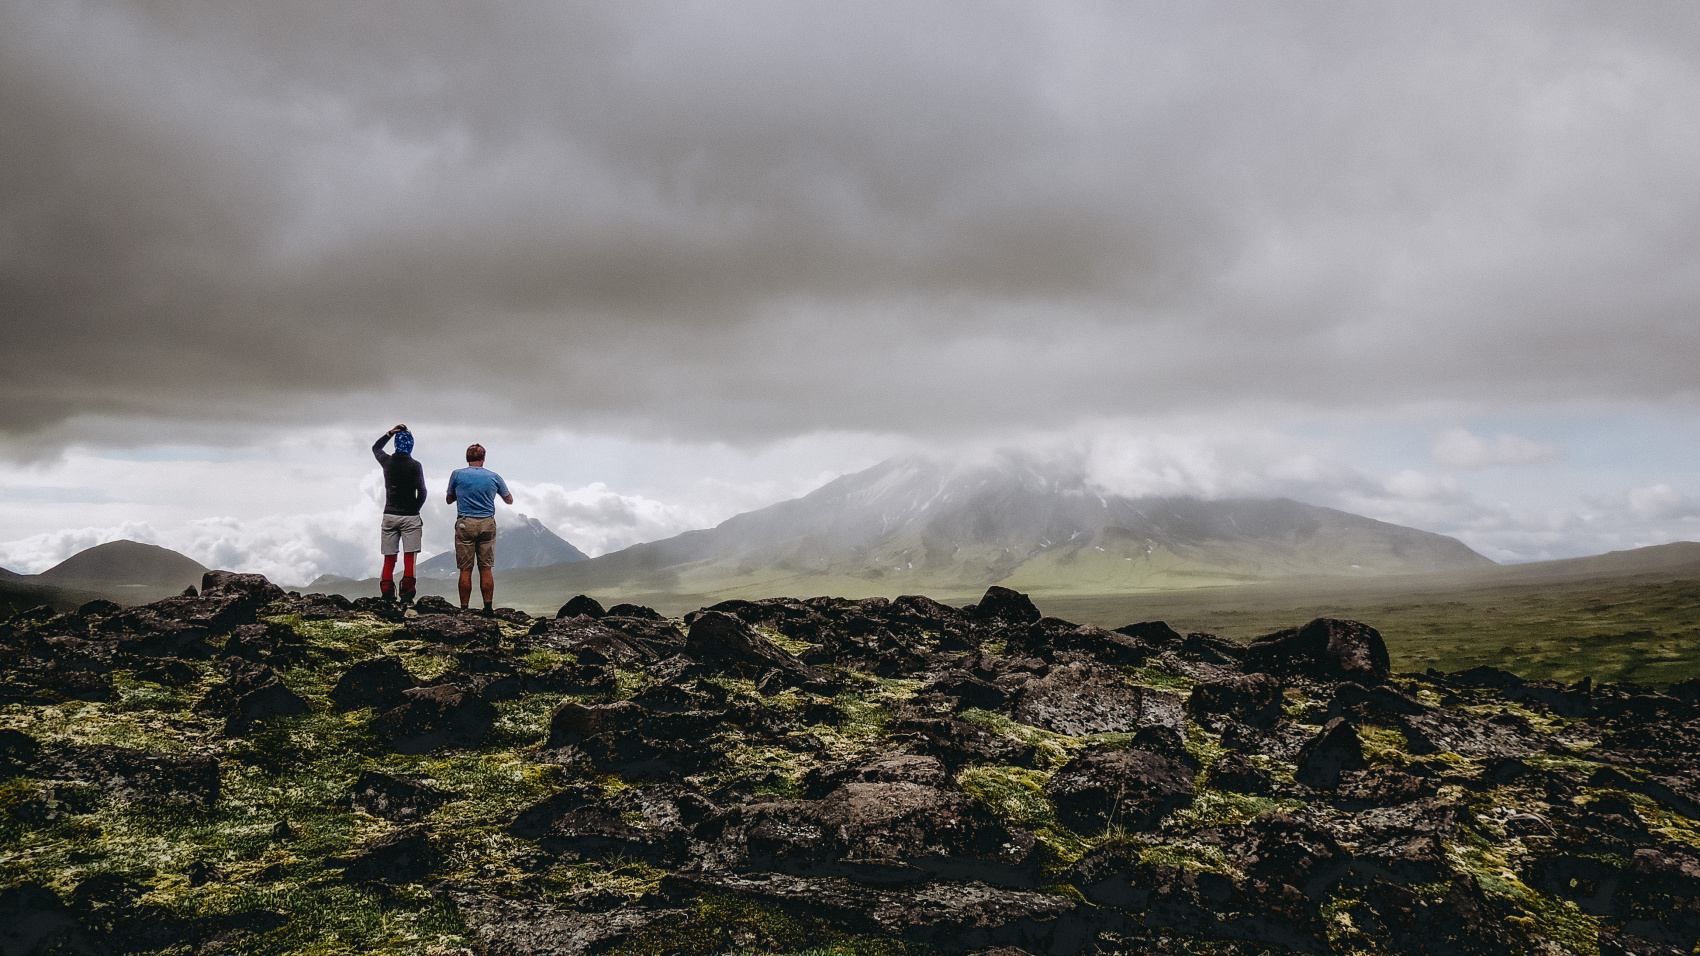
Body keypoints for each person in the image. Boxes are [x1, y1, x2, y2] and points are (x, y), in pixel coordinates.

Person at [444, 442, 513, 616]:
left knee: (465, 569)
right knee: (486, 568)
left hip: (465, 522)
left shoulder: (457, 474)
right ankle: (488, 607)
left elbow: (449, 499)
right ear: (483, 458)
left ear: (467, 458)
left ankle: (464, 608)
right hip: (487, 522)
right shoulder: (494, 477)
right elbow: (509, 499)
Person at [372, 424, 427, 603]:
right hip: (410, 516)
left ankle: (387, 593)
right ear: (411, 445)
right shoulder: (415, 465)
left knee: (390, 556)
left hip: (389, 514)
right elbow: (422, 492)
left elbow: (376, 447)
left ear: (396, 444)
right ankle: (407, 595)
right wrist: (415, 509)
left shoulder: (387, 462)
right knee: (409, 556)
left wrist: (390, 432)